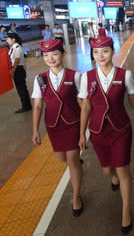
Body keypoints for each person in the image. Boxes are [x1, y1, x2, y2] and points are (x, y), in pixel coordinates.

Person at [78, 36, 134, 234]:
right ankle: (113, 177)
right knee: (108, 170)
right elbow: (86, 106)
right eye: (96, 52)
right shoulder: (87, 77)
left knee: (123, 169)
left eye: (105, 51)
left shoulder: (125, 74)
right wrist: (82, 134)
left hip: (121, 129)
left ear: (113, 51)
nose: (101, 55)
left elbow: (133, 99)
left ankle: (126, 211)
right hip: (98, 131)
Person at [31, 39, 84, 216]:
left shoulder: (75, 76)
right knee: (62, 159)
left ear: (63, 54)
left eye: (54, 53)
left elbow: (83, 103)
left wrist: (87, 127)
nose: (50, 58)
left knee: (72, 161)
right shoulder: (40, 79)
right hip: (53, 126)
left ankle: (76, 197)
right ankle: (75, 161)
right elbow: (38, 106)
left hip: (73, 124)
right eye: (46, 55)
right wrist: (35, 130)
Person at [6, 33, 32, 113]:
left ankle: (26, 107)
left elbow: (16, 60)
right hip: (17, 69)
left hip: (18, 69)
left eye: (8, 39)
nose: (7, 40)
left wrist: (13, 71)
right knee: (21, 89)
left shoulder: (17, 47)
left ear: (13, 39)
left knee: (21, 89)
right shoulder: (12, 48)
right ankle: (27, 105)